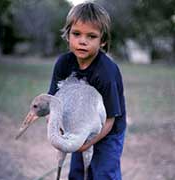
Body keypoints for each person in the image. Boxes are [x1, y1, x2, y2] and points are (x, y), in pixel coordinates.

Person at [48, 2, 126, 180]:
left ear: (103, 40)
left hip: (108, 131)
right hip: (79, 126)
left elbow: (110, 119)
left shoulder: (106, 73)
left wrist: (86, 144)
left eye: (91, 36)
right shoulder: (63, 64)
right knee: (77, 173)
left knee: (103, 174)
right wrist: (58, 131)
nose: (83, 41)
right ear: (68, 35)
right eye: (76, 34)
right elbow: (54, 103)